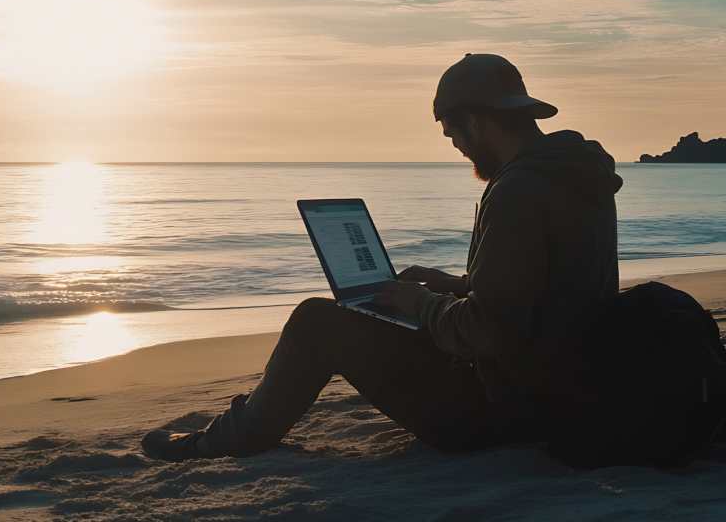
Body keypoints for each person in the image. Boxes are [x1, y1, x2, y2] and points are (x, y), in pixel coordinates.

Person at [141, 53, 623, 461]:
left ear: (475, 121)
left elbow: (486, 332)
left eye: (451, 132)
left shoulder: (517, 190)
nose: (455, 146)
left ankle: (228, 441)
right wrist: (453, 285)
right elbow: (545, 293)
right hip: (567, 387)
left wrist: (417, 303)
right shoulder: (577, 175)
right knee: (385, 306)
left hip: (506, 411)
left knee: (317, 322)